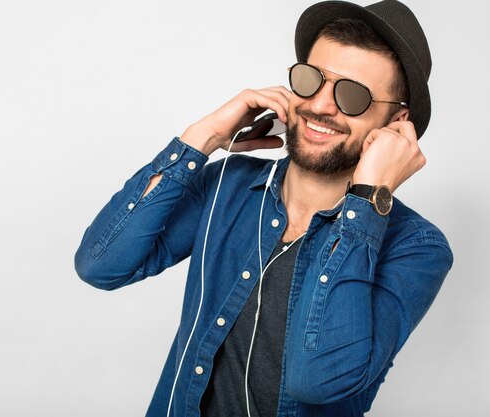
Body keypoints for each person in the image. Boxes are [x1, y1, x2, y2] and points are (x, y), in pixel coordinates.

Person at [74, 0, 453, 416]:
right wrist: (202, 138)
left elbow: (317, 381)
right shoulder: (229, 183)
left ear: (396, 122)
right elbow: (100, 265)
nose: (321, 106)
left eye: (352, 95)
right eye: (312, 80)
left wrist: (367, 202)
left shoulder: (417, 248)